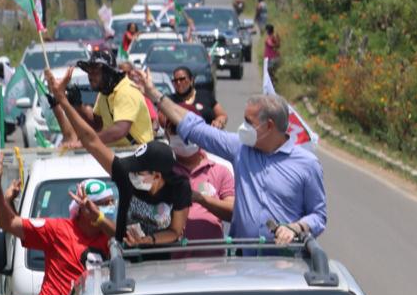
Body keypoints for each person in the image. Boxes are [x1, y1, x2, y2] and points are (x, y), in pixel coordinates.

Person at [133, 75, 327, 246]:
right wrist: (155, 95)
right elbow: (194, 128)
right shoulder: (240, 149)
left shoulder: (307, 164)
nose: (242, 127)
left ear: (269, 126)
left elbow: (318, 216)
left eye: (249, 123)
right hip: (244, 263)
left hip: (286, 261)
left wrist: (295, 228)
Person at [46, 67, 191, 248]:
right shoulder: (126, 175)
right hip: (125, 264)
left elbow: (175, 232)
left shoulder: (180, 187)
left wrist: (146, 241)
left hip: (164, 266)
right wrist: (62, 100)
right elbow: (92, 142)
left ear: (157, 176)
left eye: (139, 170)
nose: (134, 173)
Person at [0, 162, 113, 295]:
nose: (109, 209)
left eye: (111, 203)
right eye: (103, 204)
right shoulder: (57, 230)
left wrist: (103, 220)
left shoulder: (112, 238)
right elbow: (10, 223)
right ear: (85, 209)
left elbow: (127, 241)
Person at [70, 49, 154, 148]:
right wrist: (79, 106)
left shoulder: (126, 91)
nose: (90, 76)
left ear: (108, 73)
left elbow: (119, 130)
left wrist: (87, 142)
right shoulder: (104, 93)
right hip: (122, 154)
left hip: (140, 154)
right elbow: (98, 125)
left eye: (95, 71)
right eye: (89, 71)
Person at [169, 134, 235, 242]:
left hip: (211, 255)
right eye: (174, 131)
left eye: (185, 131)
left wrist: (200, 198)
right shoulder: (163, 171)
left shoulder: (220, 170)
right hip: (171, 255)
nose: (181, 136)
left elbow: (233, 213)